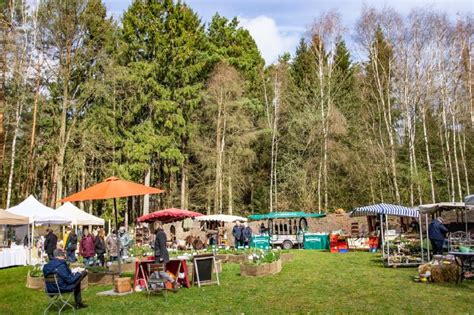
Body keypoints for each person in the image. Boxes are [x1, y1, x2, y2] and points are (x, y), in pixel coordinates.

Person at [154, 222, 179, 290]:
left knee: (160, 271)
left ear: (158, 226)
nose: (154, 227)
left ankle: (173, 282)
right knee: (156, 271)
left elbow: (162, 246)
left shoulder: (160, 234)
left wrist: (161, 257)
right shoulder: (159, 233)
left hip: (160, 256)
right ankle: (159, 287)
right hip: (158, 255)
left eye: (155, 225)